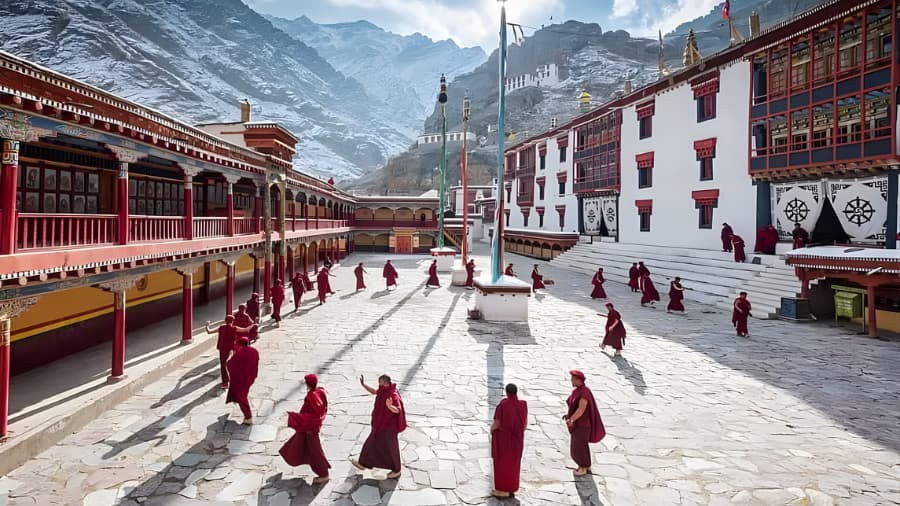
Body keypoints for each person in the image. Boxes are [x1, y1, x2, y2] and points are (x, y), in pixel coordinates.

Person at [351, 374, 407, 479]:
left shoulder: (393, 394)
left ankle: (397, 470)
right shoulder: (383, 389)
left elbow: (398, 409)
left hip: (389, 427)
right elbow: (374, 392)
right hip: (380, 425)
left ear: (385, 382)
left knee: (392, 448)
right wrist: (364, 385)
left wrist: (390, 407)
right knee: (371, 443)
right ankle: (364, 463)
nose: (379, 384)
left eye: (380, 382)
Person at [279, 373, 331, 484]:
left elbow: (314, 416)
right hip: (308, 428)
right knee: (297, 443)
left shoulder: (312, 396)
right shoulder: (320, 392)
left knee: (316, 452)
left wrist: (297, 417)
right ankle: (290, 457)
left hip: (310, 429)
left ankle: (324, 474)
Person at [563, 370, 605, 477]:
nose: (571, 380)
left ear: (578, 380)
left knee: (579, 447)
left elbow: (581, 409)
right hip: (579, 424)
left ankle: (583, 468)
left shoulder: (584, 392)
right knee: (580, 446)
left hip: (582, 425)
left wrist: (571, 419)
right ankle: (586, 466)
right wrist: (568, 415)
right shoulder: (577, 390)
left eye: (572, 378)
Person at [491, 383, 527, 498]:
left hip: (504, 440)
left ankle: (503, 490)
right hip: (517, 440)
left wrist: (492, 430)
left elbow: (497, 422)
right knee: (514, 465)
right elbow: (525, 424)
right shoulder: (523, 404)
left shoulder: (504, 404)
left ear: (506, 392)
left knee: (503, 464)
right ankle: (512, 488)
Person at [205, 316, 257, 389]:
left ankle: (225, 382)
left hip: (222, 348)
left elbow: (209, 331)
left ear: (225, 321)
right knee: (228, 363)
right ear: (232, 321)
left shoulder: (221, 328)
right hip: (230, 349)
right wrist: (253, 324)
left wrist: (207, 325)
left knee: (223, 364)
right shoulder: (234, 328)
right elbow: (245, 330)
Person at [226, 337, 259, 425]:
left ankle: (248, 417)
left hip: (241, 379)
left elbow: (229, 364)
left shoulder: (240, 354)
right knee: (243, 394)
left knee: (241, 397)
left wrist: (230, 355)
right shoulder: (254, 351)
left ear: (239, 344)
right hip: (251, 377)